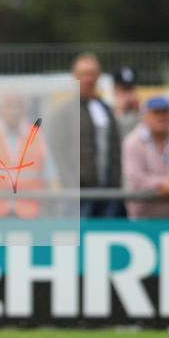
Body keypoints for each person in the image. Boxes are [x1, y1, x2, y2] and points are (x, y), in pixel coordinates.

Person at [49, 53, 122, 217]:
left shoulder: (107, 111)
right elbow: (58, 151)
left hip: (108, 192)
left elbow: (116, 149)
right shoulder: (64, 113)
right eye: (84, 74)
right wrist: (72, 184)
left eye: (92, 74)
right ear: (75, 76)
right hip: (80, 195)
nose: (88, 79)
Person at [0, 89, 56, 219]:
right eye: (9, 105)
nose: (14, 111)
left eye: (18, 105)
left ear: (24, 109)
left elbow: (50, 178)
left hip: (30, 214)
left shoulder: (37, 135)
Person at [121, 97, 169, 219]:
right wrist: (166, 185)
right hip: (142, 217)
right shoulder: (133, 142)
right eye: (155, 113)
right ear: (145, 116)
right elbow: (135, 177)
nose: (161, 117)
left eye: (165, 112)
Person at [113, 66, 141, 139]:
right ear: (115, 88)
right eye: (124, 89)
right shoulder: (107, 105)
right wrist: (119, 111)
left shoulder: (140, 108)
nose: (128, 94)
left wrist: (139, 110)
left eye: (131, 89)